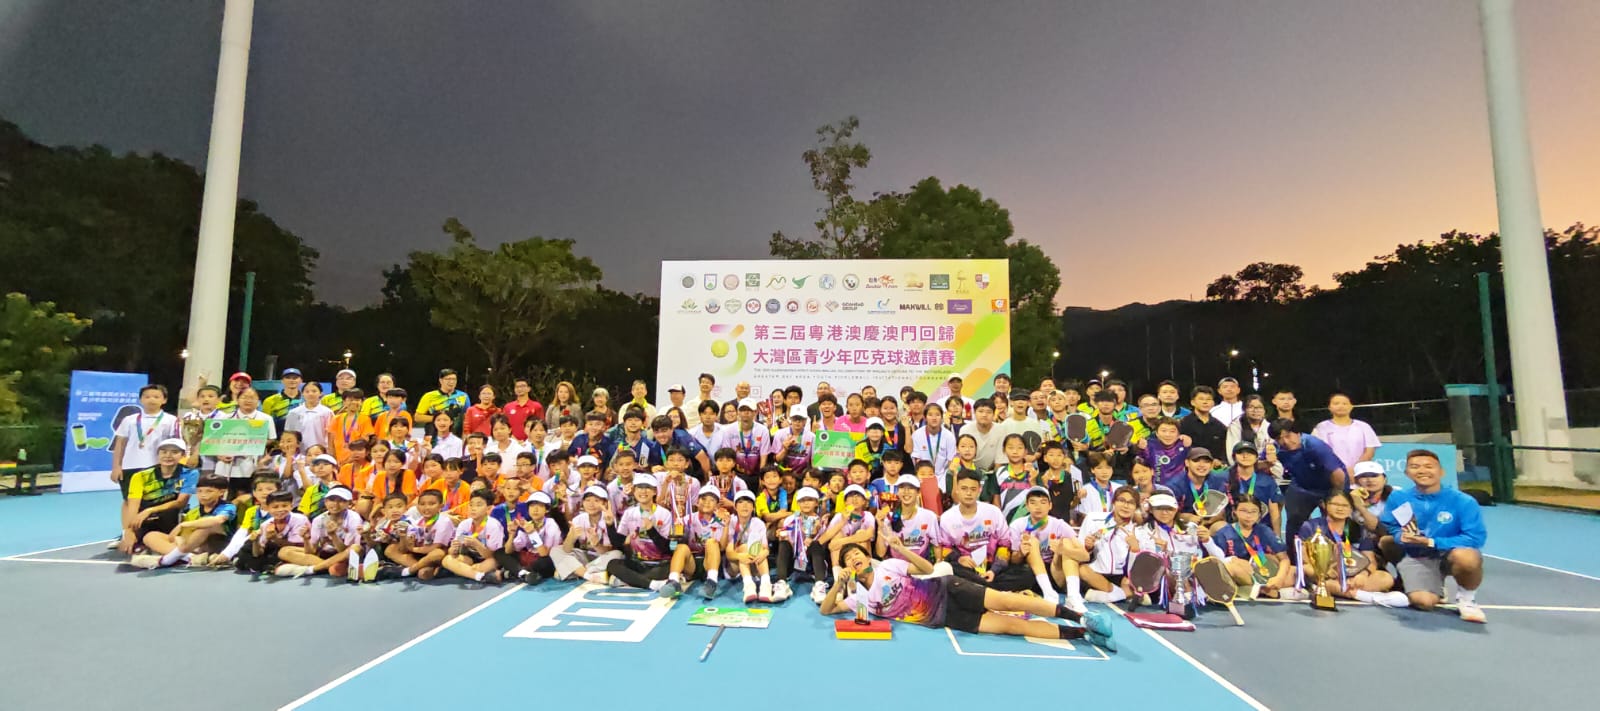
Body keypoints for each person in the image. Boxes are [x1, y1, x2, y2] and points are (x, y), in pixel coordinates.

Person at [820, 542, 1113, 652]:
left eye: (857, 553)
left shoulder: (888, 566)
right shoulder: (859, 598)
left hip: (949, 589)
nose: (854, 557)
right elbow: (826, 610)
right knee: (1012, 626)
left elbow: (927, 569)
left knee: (1010, 602)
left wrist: (901, 548)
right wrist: (838, 584)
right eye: (849, 558)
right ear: (848, 567)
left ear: (866, 557)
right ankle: (1084, 634)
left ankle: (1082, 617)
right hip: (946, 617)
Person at [1378, 449, 1488, 623]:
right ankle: (1431, 584)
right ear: (1407, 473)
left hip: (1449, 554)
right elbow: (1391, 525)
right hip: (1417, 555)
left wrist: (1432, 541)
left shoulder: (1463, 501)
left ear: (1441, 472)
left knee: (1467, 557)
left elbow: (1475, 538)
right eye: (1415, 467)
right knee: (1423, 602)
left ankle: (1467, 600)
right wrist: (1400, 536)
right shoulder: (1398, 497)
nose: (1422, 470)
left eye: (1429, 466)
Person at [1297, 490, 1408, 607]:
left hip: (1354, 575)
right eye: (1335, 504)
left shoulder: (1359, 529)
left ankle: (1349, 592)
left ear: (1351, 509)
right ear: (1324, 505)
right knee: (1312, 574)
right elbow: (1304, 559)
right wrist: (1325, 573)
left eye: (1345, 505)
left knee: (1385, 578)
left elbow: (1370, 561)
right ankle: (1362, 595)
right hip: (1326, 575)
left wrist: (1363, 575)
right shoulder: (1310, 526)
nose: (1340, 509)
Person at [1271, 418, 1349, 564]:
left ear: (1298, 433)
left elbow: (1338, 475)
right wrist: (1267, 462)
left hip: (1330, 486)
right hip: (1302, 485)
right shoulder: (1275, 448)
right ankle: (1295, 563)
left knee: (1335, 521)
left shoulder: (1315, 446)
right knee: (1294, 521)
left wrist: (1335, 497)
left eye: (1288, 436)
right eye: (1280, 439)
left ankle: (1341, 560)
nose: (1285, 442)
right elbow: (1260, 464)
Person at [110, 384, 179, 545]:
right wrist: (116, 466)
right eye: (147, 397)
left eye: (156, 397)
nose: (151, 400)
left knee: (157, 501)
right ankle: (127, 534)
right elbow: (120, 443)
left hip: (158, 467)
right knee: (129, 501)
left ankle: (156, 534)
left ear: (164, 400)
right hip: (130, 466)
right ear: (141, 399)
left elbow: (175, 444)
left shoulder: (171, 420)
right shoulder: (129, 420)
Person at [1004, 486, 1090, 611]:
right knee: (1031, 541)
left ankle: (1073, 596)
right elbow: (1014, 560)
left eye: (1043, 502)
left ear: (1050, 506)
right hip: (1032, 574)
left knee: (1067, 543)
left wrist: (1064, 550)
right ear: (1027, 506)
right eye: (1033, 502)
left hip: (1056, 572)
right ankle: (1048, 592)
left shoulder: (1059, 525)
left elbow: (1085, 556)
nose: (1038, 507)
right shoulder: (1017, 525)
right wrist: (1021, 553)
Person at [129, 474, 237, 569]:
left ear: (221, 492)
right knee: (151, 536)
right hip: (195, 546)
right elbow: (175, 537)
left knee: (206, 526)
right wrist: (178, 538)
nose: (203, 495)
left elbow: (218, 520)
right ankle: (190, 558)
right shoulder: (194, 512)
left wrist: (185, 524)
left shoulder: (228, 507)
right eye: (199, 491)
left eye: (209, 491)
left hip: (220, 544)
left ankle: (168, 559)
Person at [118, 438, 198, 554]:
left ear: (183, 455)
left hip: (172, 515)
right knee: (135, 545)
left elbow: (181, 502)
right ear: (158, 454)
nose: (168, 456)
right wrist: (129, 531)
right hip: (145, 518)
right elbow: (133, 505)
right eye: (164, 452)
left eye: (174, 452)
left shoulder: (190, 473)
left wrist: (150, 510)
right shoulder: (140, 476)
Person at [1212, 495, 1297, 599]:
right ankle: (1262, 590)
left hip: (1264, 572)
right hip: (1242, 574)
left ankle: (1254, 589)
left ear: (1259, 514)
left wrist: (1279, 578)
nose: (1249, 516)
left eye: (1253, 512)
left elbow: (1284, 559)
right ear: (1235, 512)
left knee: (1296, 572)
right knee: (1230, 568)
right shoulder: (1224, 533)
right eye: (1243, 511)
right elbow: (1217, 561)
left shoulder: (1264, 531)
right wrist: (1235, 561)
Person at [938, 469, 1011, 584]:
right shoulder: (947, 518)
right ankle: (985, 587)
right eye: (964, 488)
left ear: (979, 490)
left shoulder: (994, 512)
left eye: (973, 489)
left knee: (1025, 573)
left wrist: (994, 570)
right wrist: (959, 559)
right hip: (964, 567)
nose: (968, 493)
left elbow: (1005, 545)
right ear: (957, 489)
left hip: (992, 567)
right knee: (947, 570)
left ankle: (982, 586)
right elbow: (945, 548)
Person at [606, 473, 678, 590]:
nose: (643, 491)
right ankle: (651, 584)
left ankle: (630, 580)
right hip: (637, 563)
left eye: (647, 487)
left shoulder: (664, 514)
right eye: (639, 487)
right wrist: (610, 526)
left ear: (654, 491)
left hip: (659, 564)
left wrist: (651, 530)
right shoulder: (629, 513)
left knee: (665, 570)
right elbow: (618, 544)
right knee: (612, 564)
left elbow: (667, 548)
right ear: (634, 491)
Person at [272, 486, 362, 579]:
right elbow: (312, 551)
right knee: (284, 551)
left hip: (343, 556)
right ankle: (329, 567)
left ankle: (311, 569)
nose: (335, 504)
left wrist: (333, 536)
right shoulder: (318, 520)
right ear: (325, 502)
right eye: (331, 500)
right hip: (324, 555)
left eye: (341, 501)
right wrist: (306, 539)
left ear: (349, 504)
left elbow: (344, 551)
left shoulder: (354, 518)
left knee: (355, 548)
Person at [659, 484, 727, 600]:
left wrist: (726, 525)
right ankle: (673, 581)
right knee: (681, 547)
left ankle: (712, 582)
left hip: (709, 563)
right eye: (703, 499)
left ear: (717, 505)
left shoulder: (721, 521)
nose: (707, 502)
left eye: (712, 500)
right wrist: (677, 529)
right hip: (692, 565)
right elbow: (673, 543)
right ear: (697, 502)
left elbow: (722, 548)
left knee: (712, 542)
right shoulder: (688, 518)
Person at [550, 485, 622, 584]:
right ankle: (587, 575)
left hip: (601, 558)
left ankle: (574, 571)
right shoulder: (578, 519)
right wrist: (571, 537)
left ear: (605, 503)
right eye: (587, 500)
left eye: (596, 501)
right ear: (583, 502)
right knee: (556, 550)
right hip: (584, 556)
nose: (591, 504)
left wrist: (596, 544)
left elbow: (609, 550)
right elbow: (567, 550)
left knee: (617, 554)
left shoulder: (609, 519)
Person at [1079, 488, 1140, 603]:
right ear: (1113, 502)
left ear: (1136, 507)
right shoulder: (1093, 518)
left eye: (1131, 503)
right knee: (1082, 570)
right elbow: (1080, 552)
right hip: (1097, 574)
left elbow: (1139, 567)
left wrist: (1135, 549)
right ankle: (1123, 594)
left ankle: (1110, 595)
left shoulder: (1138, 531)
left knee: (1132, 582)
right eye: (1121, 500)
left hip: (1122, 576)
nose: (1126, 506)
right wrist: (1089, 547)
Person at [385, 489, 453, 580]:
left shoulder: (444, 521)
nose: (426, 507)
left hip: (441, 555)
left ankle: (412, 570)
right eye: (422, 504)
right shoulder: (417, 523)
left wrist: (413, 549)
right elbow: (404, 550)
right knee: (390, 549)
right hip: (422, 555)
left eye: (431, 504)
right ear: (417, 506)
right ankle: (422, 568)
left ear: (441, 506)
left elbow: (435, 547)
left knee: (437, 553)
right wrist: (403, 537)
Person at [237, 490, 310, 574]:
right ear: (268, 508)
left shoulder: (300, 519)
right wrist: (255, 541)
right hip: (276, 551)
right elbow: (258, 553)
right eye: (275, 507)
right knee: (249, 546)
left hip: (301, 551)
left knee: (280, 553)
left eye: (284, 506)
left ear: (291, 506)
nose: (280, 510)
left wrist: (275, 539)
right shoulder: (266, 524)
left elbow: (297, 545)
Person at [726, 490, 776, 603]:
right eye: (741, 502)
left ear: (753, 507)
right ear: (735, 507)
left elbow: (766, 549)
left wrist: (764, 553)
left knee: (760, 548)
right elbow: (729, 553)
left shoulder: (758, 523)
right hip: (734, 565)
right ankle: (748, 585)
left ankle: (765, 585)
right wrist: (740, 556)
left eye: (748, 502)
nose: (745, 505)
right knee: (744, 547)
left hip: (755, 563)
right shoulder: (731, 522)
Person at [1223, 442, 1282, 538]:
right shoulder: (1224, 478)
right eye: (1241, 453)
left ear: (1256, 458)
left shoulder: (1267, 481)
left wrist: (1277, 536)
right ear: (1234, 457)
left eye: (1250, 453)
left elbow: (1274, 511)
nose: (1245, 456)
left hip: (1260, 528)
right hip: (1232, 528)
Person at [1312, 391, 1382, 472]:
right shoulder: (1321, 427)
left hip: (1360, 472)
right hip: (1333, 473)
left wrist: (1355, 469)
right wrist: (1339, 471)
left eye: (1345, 403)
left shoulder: (1363, 426)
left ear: (1351, 407)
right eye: (1336, 403)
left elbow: (1369, 451)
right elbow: (1321, 452)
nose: (1341, 406)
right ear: (1329, 407)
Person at [1178, 386, 1227, 465]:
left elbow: (1223, 449)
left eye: (1208, 399)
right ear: (1192, 402)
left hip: (1213, 466)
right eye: (1201, 399)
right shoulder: (1183, 423)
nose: (1205, 402)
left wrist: (1219, 460)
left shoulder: (1220, 426)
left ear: (1213, 403)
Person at [326, 388, 373, 465]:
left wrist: (350, 459)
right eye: (350, 400)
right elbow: (330, 442)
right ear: (344, 402)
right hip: (338, 460)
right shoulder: (336, 419)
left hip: (356, 459)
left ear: (362, 402)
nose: (354, 402)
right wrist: (333, 459)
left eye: (357, 400)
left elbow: (364, 442)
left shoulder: (365, 419)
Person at [416, 369, 469, 434]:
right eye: (448, 379)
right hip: (433, 434)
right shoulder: (429, 396)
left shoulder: (463, 396)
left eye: (454, 379)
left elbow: (467, 417)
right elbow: (417, 417)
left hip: (456, 434)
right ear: (441, 380)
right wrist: (440, 419)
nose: (451, 382)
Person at [911, 403, 957, 476]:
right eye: (930, 415)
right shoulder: (917, 435)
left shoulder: (949, 436)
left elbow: (951, 460)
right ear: (925, 418)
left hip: (943, 476)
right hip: (924, 475)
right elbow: (917, 458)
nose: (934, 418)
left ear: (942, 417)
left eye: (937, 415)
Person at [261, 368, 307, 434]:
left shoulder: (306, 400)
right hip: (277, 437)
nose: (292, 380)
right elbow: (265, 423)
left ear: (301, 381)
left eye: (295, 378)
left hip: (302, 437)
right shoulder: (269, 401)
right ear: (282, 381)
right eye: (288, 378)